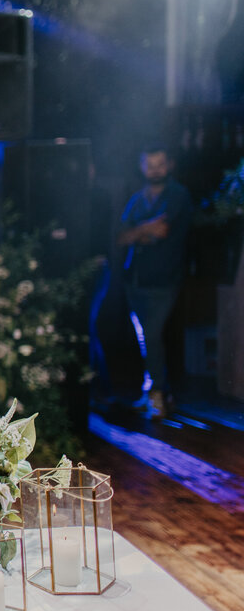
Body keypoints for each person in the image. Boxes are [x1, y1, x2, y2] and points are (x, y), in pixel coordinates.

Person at [116, 145, 192, 419]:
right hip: (134, 278)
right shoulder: (137, 198)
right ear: (142, 167)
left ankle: (158, 392)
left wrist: (139, 231)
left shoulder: (178, 195)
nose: (155, 170)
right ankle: (155, 392)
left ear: (169, 165)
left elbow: (162, 230)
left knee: (152, 333)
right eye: (150, 165)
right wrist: (143, 230)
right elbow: (121, 236)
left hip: (164, 279)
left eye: (160, 164)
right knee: (145, 337)